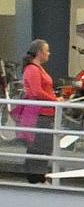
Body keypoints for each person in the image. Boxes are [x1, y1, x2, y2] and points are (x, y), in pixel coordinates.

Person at [16, 39, 54, 183]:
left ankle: (38, 175)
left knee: (42, 145)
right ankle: (35, 176)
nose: (49, 53)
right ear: (39, 52)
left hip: (44, 112)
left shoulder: (37, 68)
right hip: (39, 113)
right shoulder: (32, 69)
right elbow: (37, 92)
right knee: (38, 144)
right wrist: (55, 101)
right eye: (47, 50)